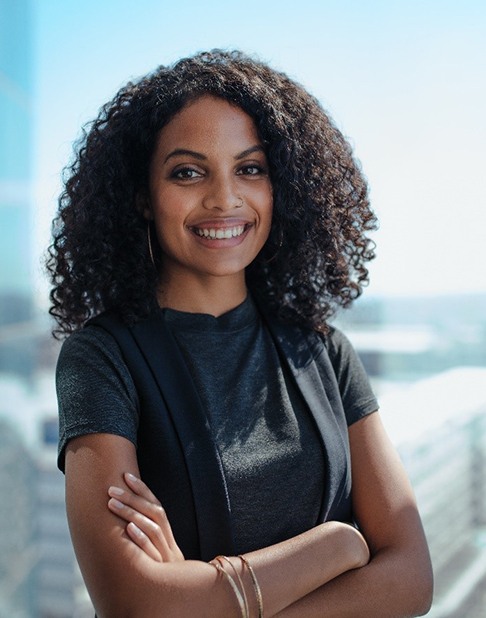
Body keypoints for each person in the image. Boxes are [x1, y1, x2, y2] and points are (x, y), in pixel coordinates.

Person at [47, 50, 433, 617]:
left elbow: (411, 579)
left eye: (249, 168)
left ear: (285, 188)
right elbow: (134, 604)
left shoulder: (322, 350)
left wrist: (210, 594)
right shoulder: (101, 358)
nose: (224, 198)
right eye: (187, 172)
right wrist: (337, 546)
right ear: (142, 198)